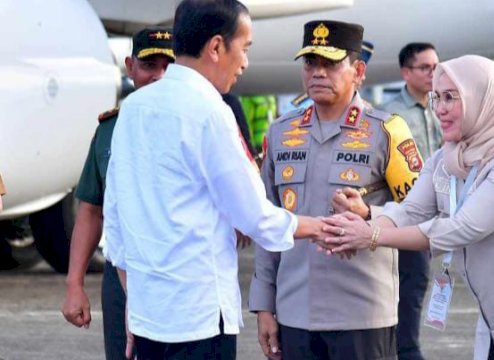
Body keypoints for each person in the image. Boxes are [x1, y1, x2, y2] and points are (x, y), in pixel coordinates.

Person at [322, 55, 494, 360]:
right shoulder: (449, 158)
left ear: (483, 100)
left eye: (450, 98)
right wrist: (367, 217)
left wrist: (372, 237)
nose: (439, 108)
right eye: (436, 97)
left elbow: (463, 228)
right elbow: (411, 211)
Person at [102, 1, 328, 359]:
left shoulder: (133, 108)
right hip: (198, 318)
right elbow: (254, 216)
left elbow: (114, 219)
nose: (245, 63)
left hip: (148, 318)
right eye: (245, 48)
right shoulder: (209, 112)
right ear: (217, 47)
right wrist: (320, 226)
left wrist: (135, 306)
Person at [248, 20, 422, 360]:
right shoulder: (282, 132)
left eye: (330, 64)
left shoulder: (387, 131)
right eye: (311, 63)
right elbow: (267, 223)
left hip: (362, 315)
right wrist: (264, 305)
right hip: (294, 312)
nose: (317, 73)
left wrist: (371, 214)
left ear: (358, 71)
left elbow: (422, 212)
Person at [61, 27, 175, 360]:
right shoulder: (110, 130)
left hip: (174, 270)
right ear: (130, 67)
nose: (158, 76)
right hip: (121, 272)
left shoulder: (193, 124)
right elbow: (90, 210)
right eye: (149, 65)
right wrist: (74, 284)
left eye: (167, 67)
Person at [381, 42, 442, 360]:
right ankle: (406, 350)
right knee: (406, 284)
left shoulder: (441, 107)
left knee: (417, 284)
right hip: (402, 212)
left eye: (436, 66)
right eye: (425, 67)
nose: (434, 73)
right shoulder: (393, 115)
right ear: (406, 72)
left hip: (434, 214)